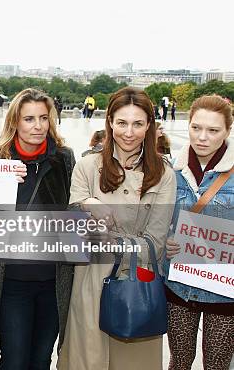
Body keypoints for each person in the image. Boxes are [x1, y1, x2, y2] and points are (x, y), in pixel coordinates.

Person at [58, 86, 176, 370]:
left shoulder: (163, 175)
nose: (129, 132)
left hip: (137, 288)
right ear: (109, 121)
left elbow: (155, 245)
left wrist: (106, 238)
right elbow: (71, 234)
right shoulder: (86, 167)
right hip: (90, 287)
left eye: (138, 124)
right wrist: (87, 204)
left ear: (150, 126)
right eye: (122, 122)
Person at [0, 88, 75, 369]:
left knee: (41, 360)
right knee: (14, 362)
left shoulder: (64, 160)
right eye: (29, 119)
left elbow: (73, 210)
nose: (38, 126)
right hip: (12, 281)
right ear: (15, 122)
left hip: (53, 281)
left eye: (44, 118)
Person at [163, 95, 234, 370]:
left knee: (216, 364)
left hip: (223, 289)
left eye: (213, 130)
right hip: (179, 285)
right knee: (179, 362)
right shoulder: (171, 171)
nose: (202, 137)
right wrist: (166, 241)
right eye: (196, 128)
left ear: (227, 131)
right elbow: (159, 222)